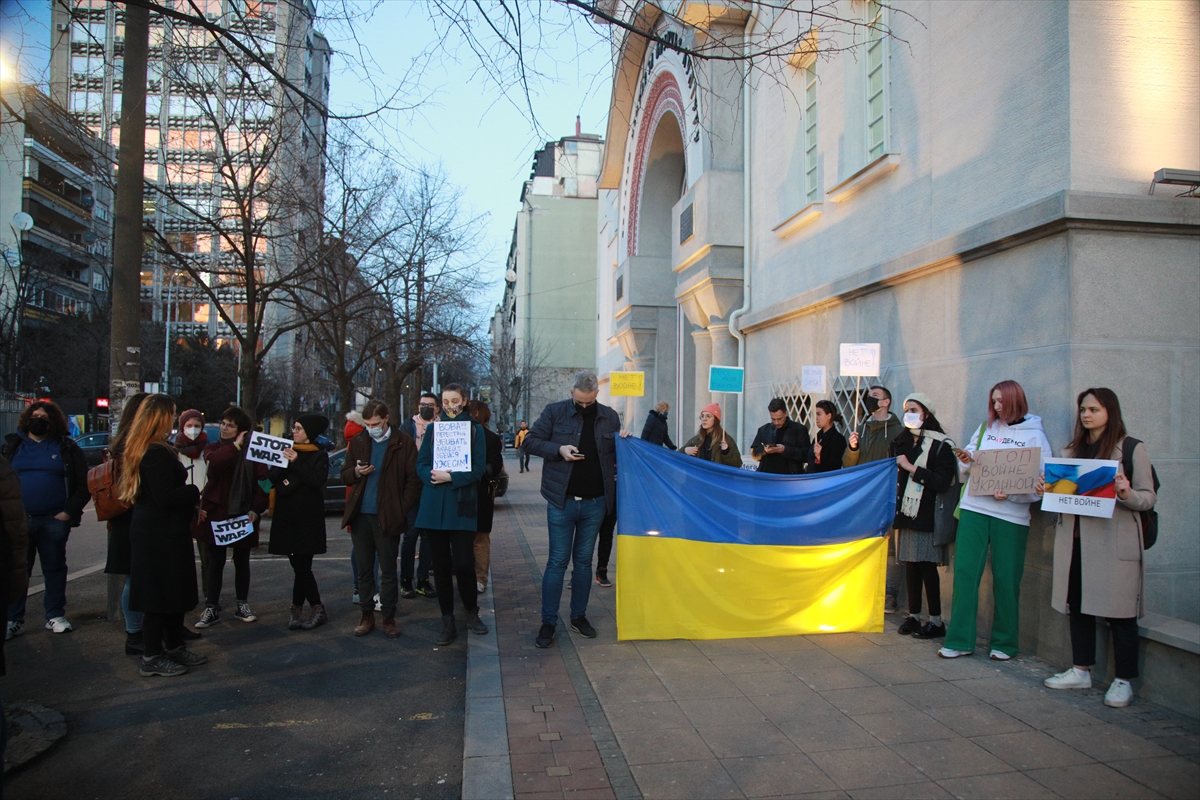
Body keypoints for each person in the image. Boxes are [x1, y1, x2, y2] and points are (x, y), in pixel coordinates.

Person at [1039, 388, 1156, 708]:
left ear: (1110, 412)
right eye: (1083, 409)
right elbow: (1063, 497)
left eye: (1094, 409)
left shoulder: (1131, 449)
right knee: (1077, 606)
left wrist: (1125, 492)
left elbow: (1148, 497)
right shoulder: (1072, 451)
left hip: (1112, 545)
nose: (1086, 415)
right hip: (1075, 543)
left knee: (1121, 613)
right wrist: (1045, 488)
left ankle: (1123, 679)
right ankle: (1081, 669)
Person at [940, 379, 1052, 661]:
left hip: (1011, 516)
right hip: (975, 508)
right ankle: (959, 639)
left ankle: (1004, 643)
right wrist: (966, 459)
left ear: (1017, 401)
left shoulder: (1036, 436)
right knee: (965, 574)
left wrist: (1014, 495)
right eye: (994, 401)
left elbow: (1043, 482)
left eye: (1002, 401)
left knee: (1007, 579)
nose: (997, 407)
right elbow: (969, 459)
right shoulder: (986, 428)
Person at [524, 370, 631, 648]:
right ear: (572, 392)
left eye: (590, 401)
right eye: (580, 401)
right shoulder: (554, 411)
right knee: (557, 561)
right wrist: (558, 449)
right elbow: (530, 441)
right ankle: (548, 621)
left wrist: (625, 440)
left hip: (596, 502)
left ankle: (578, 616)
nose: (585, 406)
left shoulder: (609, 415)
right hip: (562, 500)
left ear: (597, 394)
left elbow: (616, 455)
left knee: (584, 562)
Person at [119, 395, 206, 677]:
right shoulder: (155, 452)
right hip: (159, 534)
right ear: (159, 417)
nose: (174, 419)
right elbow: (164, 496)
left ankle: (174, 645)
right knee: (158, 594)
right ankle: (152, 655)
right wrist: (193, 492)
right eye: (172, 413)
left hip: (164, 531)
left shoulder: (151, 448)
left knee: (172, 592)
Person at [3, 400, 89, 638]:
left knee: (54, 567)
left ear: (52, 422)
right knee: (18, 570)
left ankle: (55, 614)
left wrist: (68, 512)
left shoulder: (66, 448)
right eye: (34, 415)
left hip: (53, 519)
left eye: (43, 417)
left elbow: (83, 484)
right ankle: (12, 618)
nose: (37, 420)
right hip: (18, 521)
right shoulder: (12, 446)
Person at [341, 399, 422, 638]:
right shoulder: (359, 441)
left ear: (386, 418)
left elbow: (413, 481)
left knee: (388, 570)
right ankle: (366, 615)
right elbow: (345, 473)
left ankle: (389, 617)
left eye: (375, 423)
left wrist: (400, 508)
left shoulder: (403, 443)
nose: (371, 428)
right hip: (360, 515)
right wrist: (356, 472)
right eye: (366, 424)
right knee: (364, 570)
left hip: (388, 516)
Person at [416, 385, 488, 645]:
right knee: (442, 567)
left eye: (454, 400)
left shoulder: (475, 430)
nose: (450, 405)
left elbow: (479, 468)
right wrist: (431, 476)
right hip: (435, 505)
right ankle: (448, 620)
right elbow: (421, 463)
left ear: (464, 401)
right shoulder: (434, 430)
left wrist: (452, 477)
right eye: (445, 401)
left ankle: (471, 612)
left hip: (462, 504)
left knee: (465, 564)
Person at [193, 407, 269, 628]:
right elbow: (215, 464)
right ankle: (211, 607)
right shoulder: (212, 448)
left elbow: (264, 482)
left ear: (241, 430)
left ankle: (242, 604)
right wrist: (235, 446)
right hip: (217, 512)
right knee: (215, 562)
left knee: (242, 561)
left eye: (230, 425)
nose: (224, 428)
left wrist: (256, 509)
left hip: (244, 514)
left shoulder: (253, 451)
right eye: (223, 423)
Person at [889, 394, 957, 639]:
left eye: (914, 409)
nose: (909, 414)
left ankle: (936, 620)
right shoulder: (900, 442)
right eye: (906, 409)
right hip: (905, 515)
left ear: (926, 414)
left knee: (927, 567)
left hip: (928, 514)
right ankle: (914, 616)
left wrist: (911, 468)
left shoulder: (942, 445)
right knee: (911, 566)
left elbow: (942, 481)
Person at [269, 414, 330, 631]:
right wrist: (285, 460)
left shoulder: (319, 455)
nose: (294, 432)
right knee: (299, 566)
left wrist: (295, 463)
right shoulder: (286, 450)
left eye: (299, 428)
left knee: (302, 565)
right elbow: (273, 476)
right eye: (294, 428)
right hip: (286, 517)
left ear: (310, 433)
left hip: (308, 519)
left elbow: (315, 481)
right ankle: (305, 607)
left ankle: (310, 607)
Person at [844, 385, 902, 613]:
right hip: (864, 495)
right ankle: (864, 587)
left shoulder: (898, 430)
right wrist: (852, 448)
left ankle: (889, 594)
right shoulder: (862, 428)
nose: (869, 400)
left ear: (886, 402)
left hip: (888, 494)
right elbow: (849, 463)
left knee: (889, 547)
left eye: (875, 397)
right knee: (863, 540)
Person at [104, 393, 150, 655]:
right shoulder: (132, 447)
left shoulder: (124, 442)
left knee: (138, 578)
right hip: (131, 519)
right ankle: (134, 634)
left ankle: (141, 631)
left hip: (129, 519)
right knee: (135, 578)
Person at [398, 392, 439, 599]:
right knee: (411, 534)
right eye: (423, 404)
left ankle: (423, 580)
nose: (426, 408)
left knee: (428, 536)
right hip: (412, 486)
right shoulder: (407, 427)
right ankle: (406, 580)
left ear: (437, 408)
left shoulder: (442, 427)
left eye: (430, 405)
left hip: (432, 485)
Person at [467, 400, 504, 594]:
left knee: (476, 538)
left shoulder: (489, 438)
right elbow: (495, 466)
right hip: (478, 493)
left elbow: (495, 467)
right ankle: (478, 578)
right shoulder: (491, 438)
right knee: (479, 540)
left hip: (476, 493)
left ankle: (478, 577)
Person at [175, 409, 211, 606]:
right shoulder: (174, 452)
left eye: (197, 425)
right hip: (182, 509)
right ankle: (181, 597)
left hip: (203, 509)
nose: (193, 430)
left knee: (207, 559)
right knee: (181, 558)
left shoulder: (208, 451)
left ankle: (209, 596)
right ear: (182, 427)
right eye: (189, 426)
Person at [750, 398, 809, 474]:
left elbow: (806, 455)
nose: (777, 422)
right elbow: (754, 454)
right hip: (767, 476)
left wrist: (785, 450)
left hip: (790, 478)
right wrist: (765, 450)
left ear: (786, 413)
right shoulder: (763, 430)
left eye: (780, 419)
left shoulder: (799, 429)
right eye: (773, 419)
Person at [682, 403, 742, 468]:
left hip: (717, 477)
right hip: (699, 477)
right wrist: (685, 451)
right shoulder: (695, 440)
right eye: (702, 416)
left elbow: (738, 464)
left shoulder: (726, 439)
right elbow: (675, 458)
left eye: (708, 416)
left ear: (716, 419)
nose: (704, 419)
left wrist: (726, 452)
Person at [806, 401, 847, 474]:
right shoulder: (818, 436)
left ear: (829, 416)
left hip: (825, 481)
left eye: (819, 414)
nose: (816, 418)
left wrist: (819, 457)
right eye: (815, 414)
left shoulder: (838, 439)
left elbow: (834, 466)